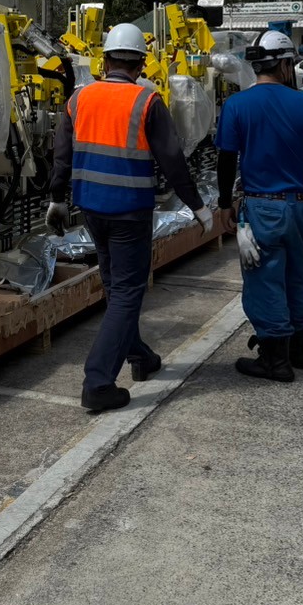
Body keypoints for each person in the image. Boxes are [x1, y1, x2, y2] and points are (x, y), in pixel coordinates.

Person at [46, 23, 212, 413]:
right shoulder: (147, 101)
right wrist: (198, 206)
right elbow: (172, 160)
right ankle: (98, 383)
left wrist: (56, 199)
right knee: (125, 293)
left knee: (116, 288)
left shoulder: (78, 98)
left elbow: (62, 155)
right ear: (140, 65)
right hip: (129, 213)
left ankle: (140, 356)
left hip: (91, 210)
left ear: (105, 62)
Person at [215, 30, 303, 382]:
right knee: (299, 277)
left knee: (265, 282)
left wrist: (224, 204)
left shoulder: (237, 105)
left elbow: (226, 160)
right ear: (285, 64)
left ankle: (275, 361)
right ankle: (297, 350)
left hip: (261, 209)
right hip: (300, 208)